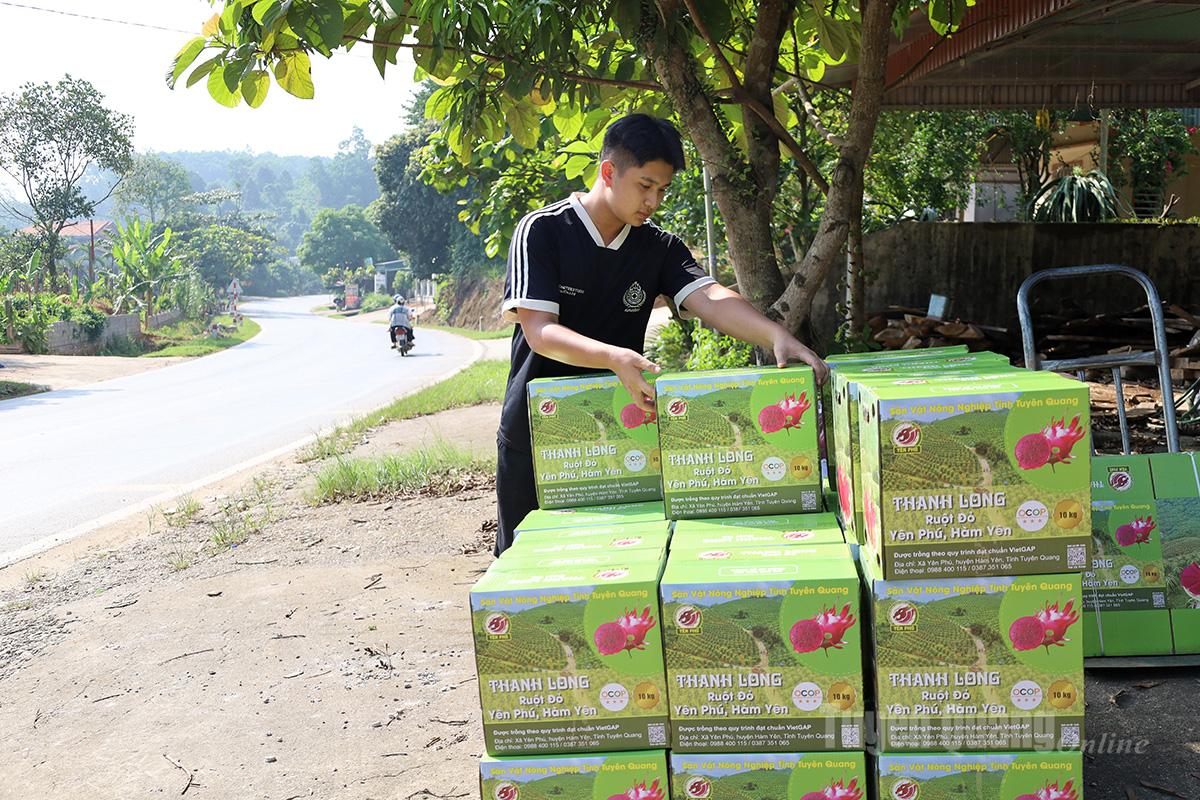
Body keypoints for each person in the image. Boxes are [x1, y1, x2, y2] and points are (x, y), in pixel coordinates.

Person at [494, 113, 828, 556]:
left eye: (662, 190)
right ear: (608, 172)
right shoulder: (543, 230)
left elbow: (709, 295)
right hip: (538, 432)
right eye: (645, 185)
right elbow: (540, 332)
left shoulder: (658, 246)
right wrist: (614, 357)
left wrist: (776, 337)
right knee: (528, 563)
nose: (653, 201)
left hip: (622, 434)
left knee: (616, 562)